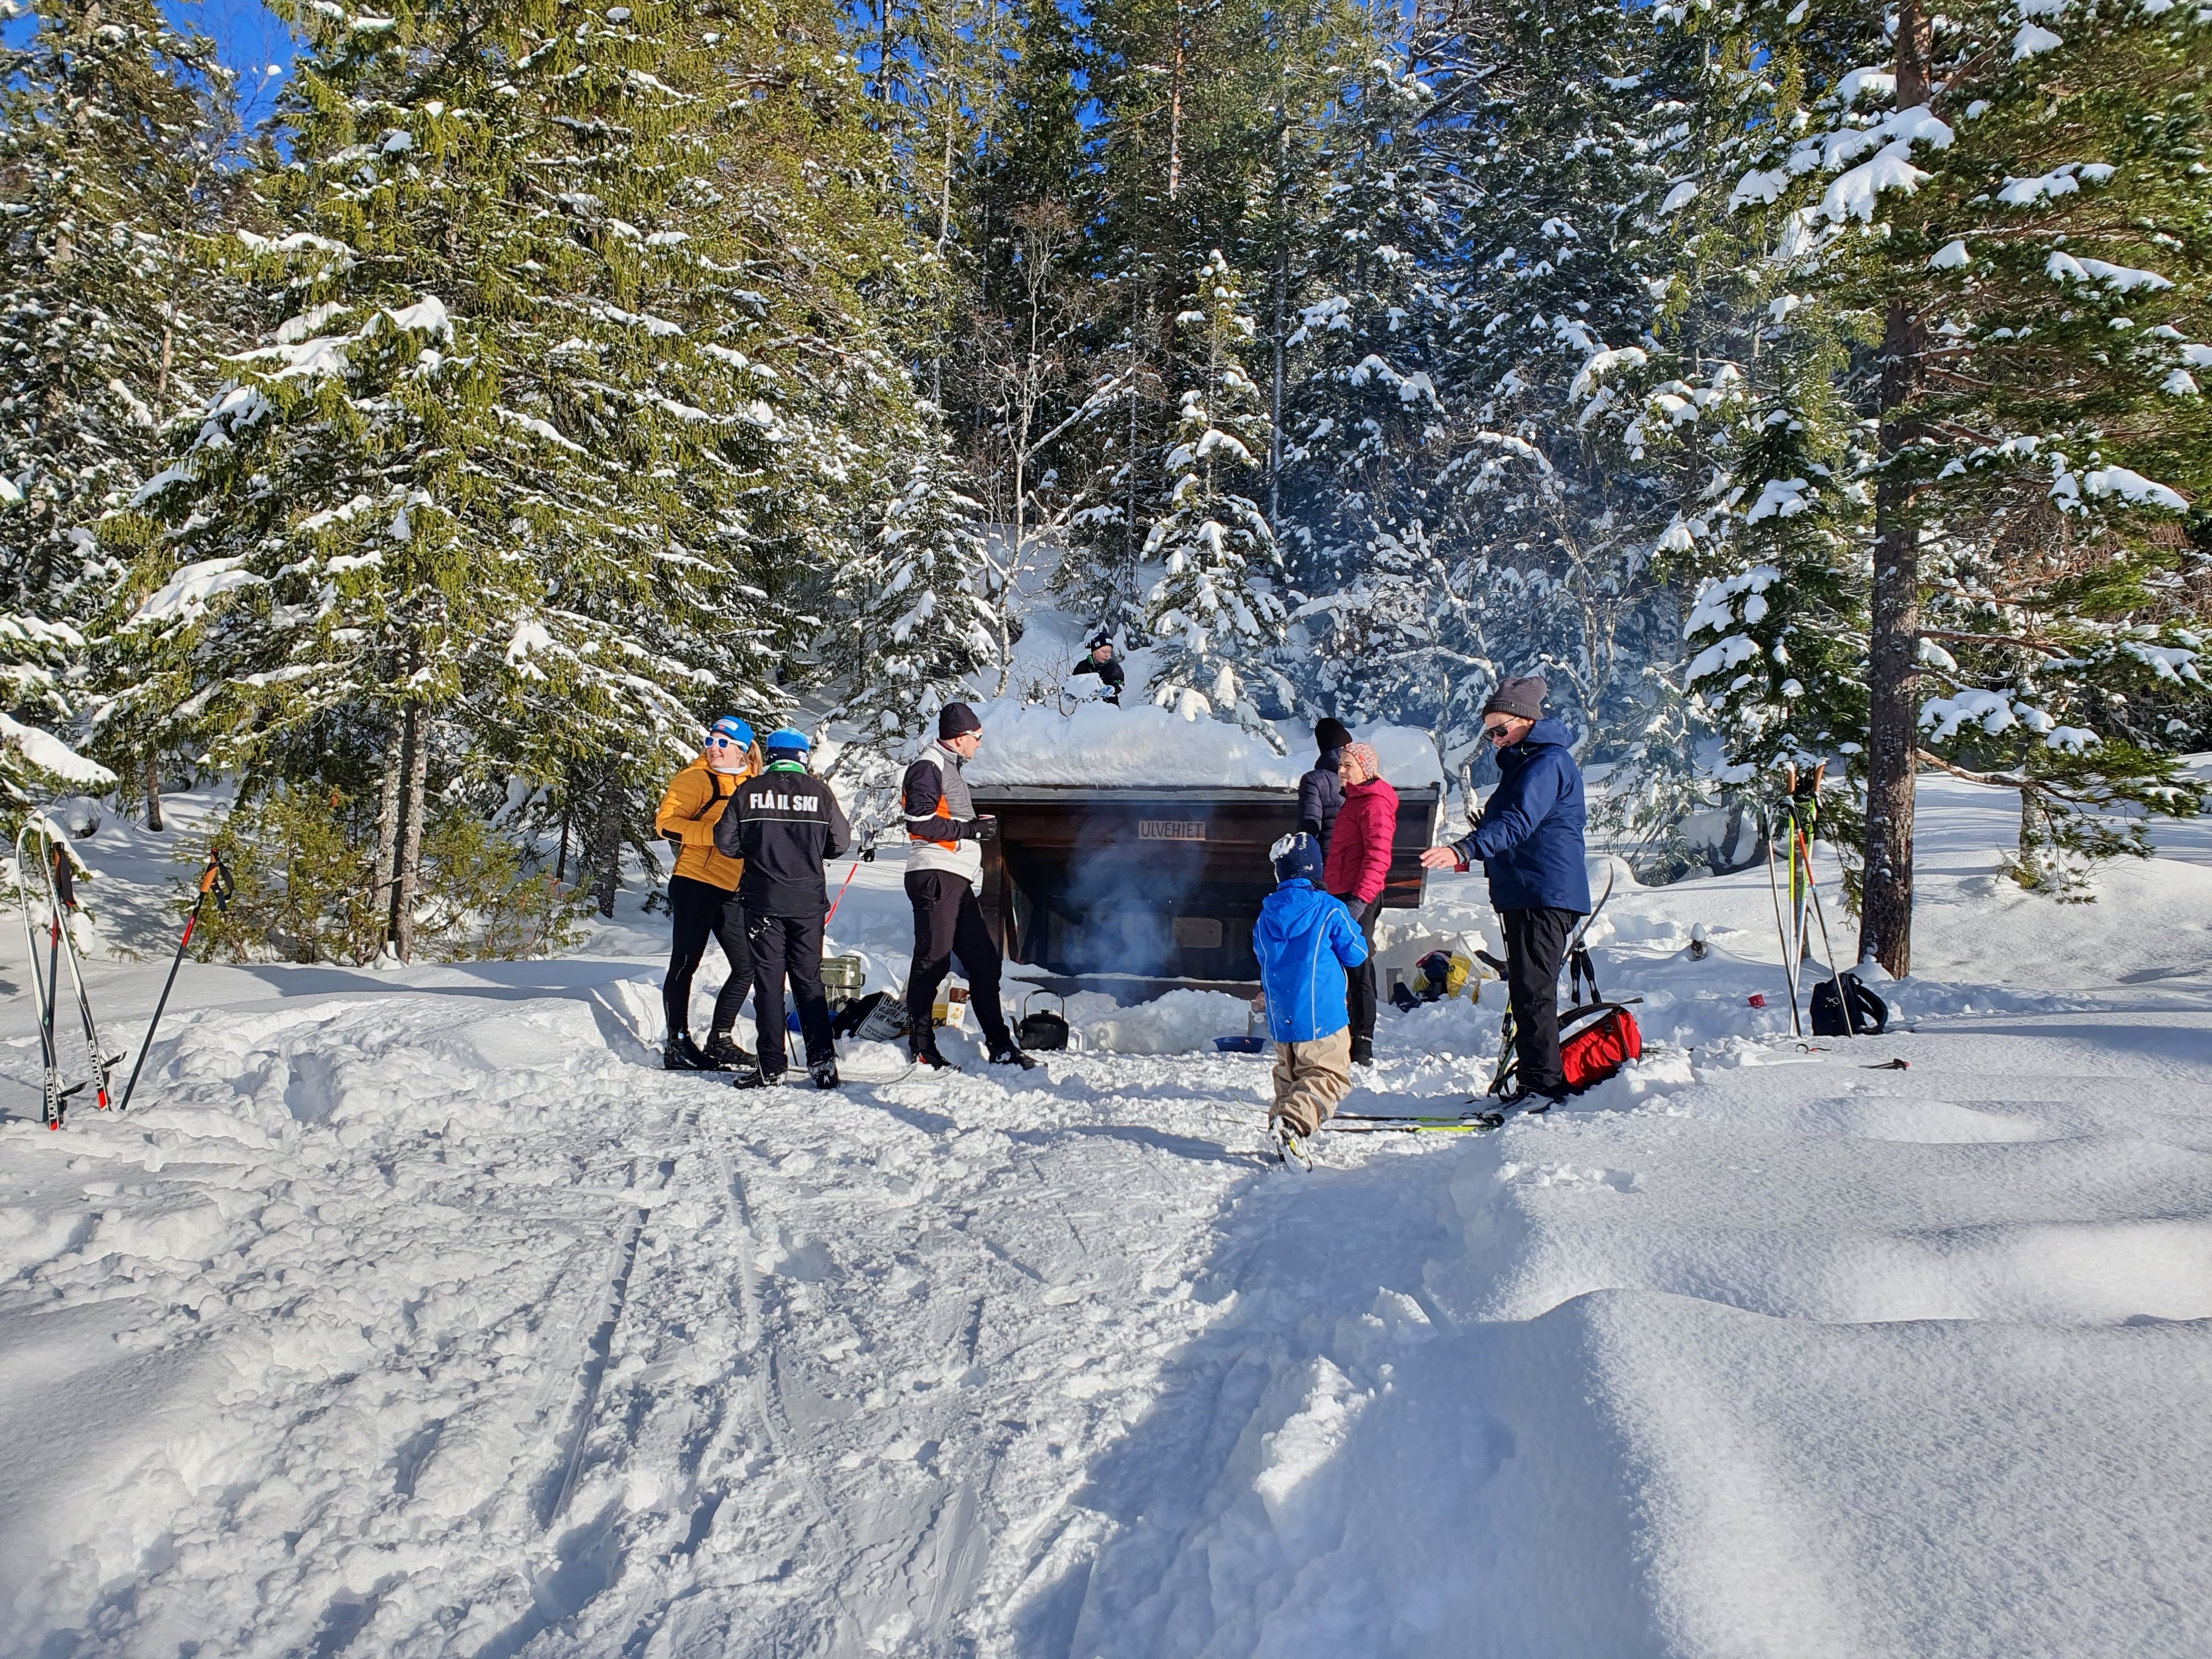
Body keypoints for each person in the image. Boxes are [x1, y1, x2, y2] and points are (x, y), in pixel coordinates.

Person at [1419, 676, 1591, 1107]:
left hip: (1543, 890)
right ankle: (1537, 1080)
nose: (1496, 741)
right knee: (1527, 990)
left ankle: (1544, 1087)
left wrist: (1465, 848)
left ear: (1527, 720)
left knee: (1534, 991)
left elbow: (1519, 823)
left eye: (1501, 730)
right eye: (1490, 734)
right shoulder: (1527, 763)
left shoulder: (1546, 763)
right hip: (1527, 889)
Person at [713, 726, 853, 1089]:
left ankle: (771, 1066)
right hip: (807, 902)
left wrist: (753, 850)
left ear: (771, 757)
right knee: (809, 982)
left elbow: (725, 843)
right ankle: (823, 1065)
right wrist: (812, 850)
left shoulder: (749, 791)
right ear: (802, 758)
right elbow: (840, 843)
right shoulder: (819, 792)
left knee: (768, 984)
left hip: (763, 901)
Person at [900, 701, 1034, 1071]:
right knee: (933, 961)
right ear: (960, 738)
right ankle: (922, 1045)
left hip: (954, 877)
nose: (980, 744)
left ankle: (1000, 1045)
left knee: (984, 963)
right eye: (977, 737)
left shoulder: (947, 766)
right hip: (935, 872)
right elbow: (919, 822)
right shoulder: (928, 766)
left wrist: (972, 828)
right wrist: (971, 829)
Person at [1253, 831, 1369, 1160]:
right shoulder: (1329, 909)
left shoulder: (1266, 915)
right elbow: (1357, 953)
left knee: (1289, 1076)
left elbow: (1262, 955)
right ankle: (1292, 1125)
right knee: (1328, 1075)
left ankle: (1282, 1131)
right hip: (1322, 1015)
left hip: (1282, 1016)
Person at [653, 715, 758, 1071]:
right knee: (686, 962)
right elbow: (666, 824)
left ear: (742, 750)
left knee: (747, 966)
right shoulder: (696, 778)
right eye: (710, 740)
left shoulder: (754, 785)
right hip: (695, 880)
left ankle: (720, 1039)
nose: (714, 748)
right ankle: (677, 1044)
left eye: (723, 743)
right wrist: (714, 835)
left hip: (732, 888)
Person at [1322, 739, 1398, 1067]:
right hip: (1339, 893)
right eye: (1340, 764)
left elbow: (1378, 857)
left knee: (1358, 964)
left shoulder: (1374, 803)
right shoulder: (1354, 801)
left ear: (1365, 769)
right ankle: (1342, 1034)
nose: (1341, 770)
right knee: (1338, 964)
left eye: (1348, 765)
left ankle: (1363, 1040)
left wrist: (1360, 900)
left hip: (1359, 896)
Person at [1296, 716, 1353, 851]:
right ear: (1346, 746)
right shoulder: (1361, 775)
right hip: (1358, 856)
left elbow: (1309, 828)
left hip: (1328, 855)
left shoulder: (1313, 780)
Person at [1070, 633, 1125, 705]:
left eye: (1109, 652)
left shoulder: (1113, 667)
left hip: (1109, 707)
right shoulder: (1082, 666)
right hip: (1085, 708)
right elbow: (1074, 684)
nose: (1107, 655)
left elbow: (1119, 683)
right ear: (1094, 651)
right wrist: (1071, 693)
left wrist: (1112, 689)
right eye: (1104, 651)